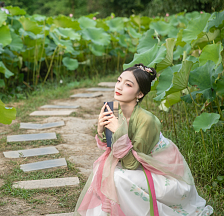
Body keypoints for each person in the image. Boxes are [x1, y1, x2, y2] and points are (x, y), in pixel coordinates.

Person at [73, 64, 213, 216]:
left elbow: (131, 164)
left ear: (139, 94)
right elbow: (113, 150)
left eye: (128, 84)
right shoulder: (115, 110)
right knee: (102, 171)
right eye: (119, 80)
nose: (119, 87)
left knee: (117, 178)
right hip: (141, 169)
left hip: (167, 179)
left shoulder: (147, 120)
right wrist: (101, 130)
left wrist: (119, 130)